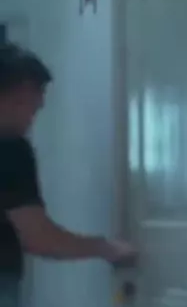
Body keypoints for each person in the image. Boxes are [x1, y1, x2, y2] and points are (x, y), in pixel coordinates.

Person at [0, 43, 138, 291]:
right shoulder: (10, 148)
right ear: (19, 92)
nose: (38, 107)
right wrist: (105, 247)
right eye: (37, 95)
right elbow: (39, 238)